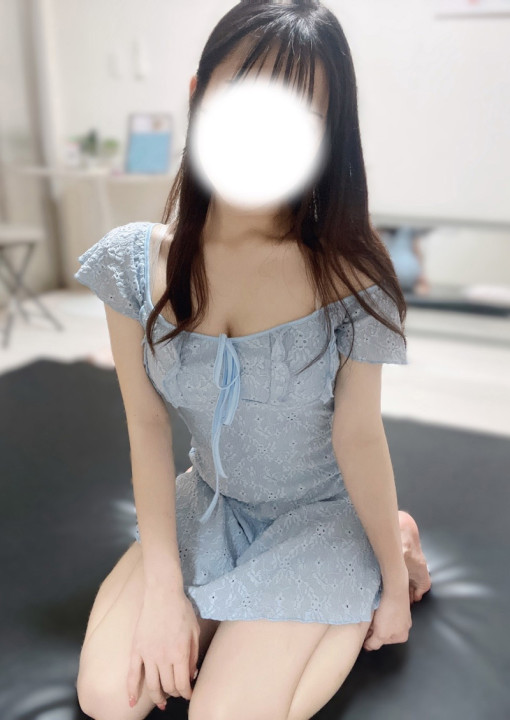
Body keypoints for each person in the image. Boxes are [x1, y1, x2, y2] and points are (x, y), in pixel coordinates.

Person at [74, 2, 431, 719]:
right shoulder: (132, 264)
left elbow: (358, 434)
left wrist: (394, 590)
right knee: (110, 699)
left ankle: (385, 539)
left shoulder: (350, 274)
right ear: (199, 94)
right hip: (210, 504)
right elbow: (147, 427)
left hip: (321, 520)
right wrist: (164, 591)